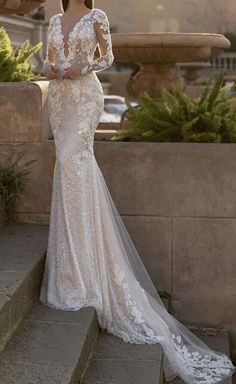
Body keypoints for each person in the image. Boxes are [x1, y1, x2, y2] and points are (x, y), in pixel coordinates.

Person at [39, 0, 236, 382]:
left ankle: (88, 273)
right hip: (61, 98)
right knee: (67, 172)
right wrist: (48, 68)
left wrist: (83, 66)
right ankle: (72, 271)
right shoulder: (55, 20)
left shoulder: (97, 17)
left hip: (84, 96)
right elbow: (47, 59)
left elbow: (108, 57)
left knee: (73, 162)